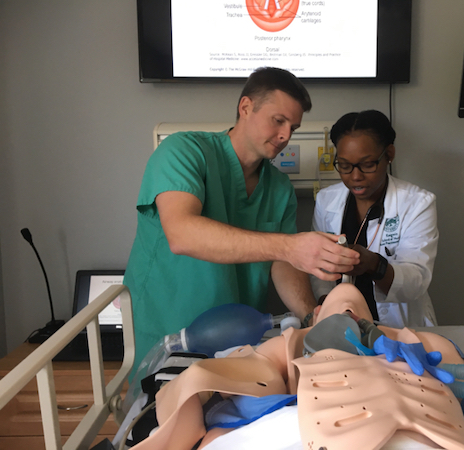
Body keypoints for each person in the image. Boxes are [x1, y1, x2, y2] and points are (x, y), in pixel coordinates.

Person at [124, 67, 360, 377]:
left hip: (235, 342)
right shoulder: (183, 153)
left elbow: (282, 263)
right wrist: (290, 246)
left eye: (294, 127)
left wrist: (311, 317)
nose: (286, 136)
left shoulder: (277, 188)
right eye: (278, 121)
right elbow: (182, 234)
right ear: (246, 107)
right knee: (167, 418)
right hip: (167, 337)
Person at [311, 110, 438, 328]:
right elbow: (318, 272)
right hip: (341, 325)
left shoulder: (417, 203)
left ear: (389, 154)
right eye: (344, 165)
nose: (355, 176)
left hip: (400, 327)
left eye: (367, 164)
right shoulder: (326, 201)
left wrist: (373, 264)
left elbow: (417, 281)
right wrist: (329, 306)